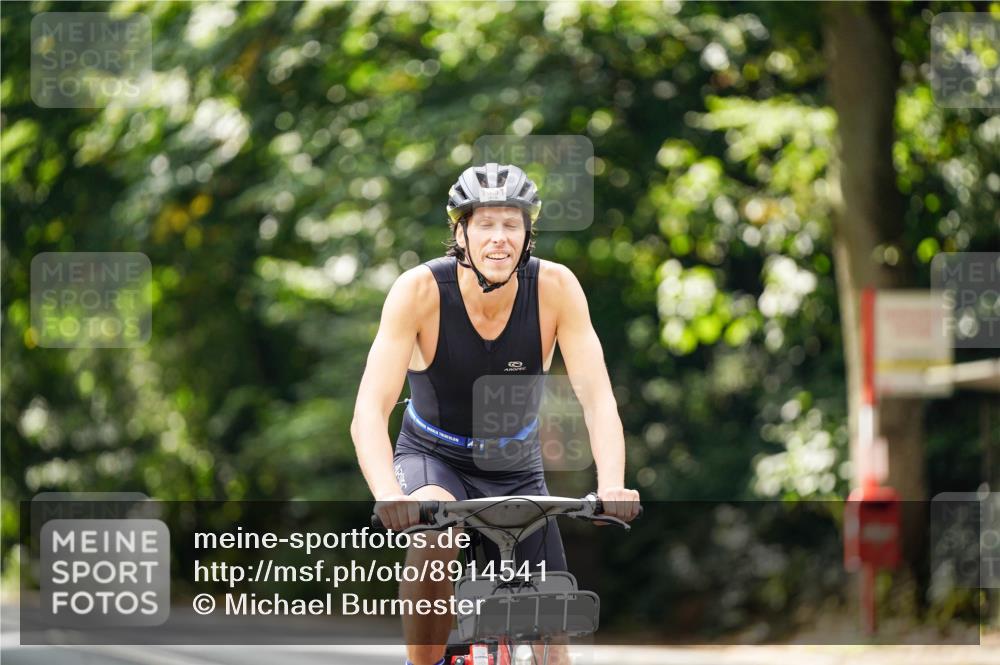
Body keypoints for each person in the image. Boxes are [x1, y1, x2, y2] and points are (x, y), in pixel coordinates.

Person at [351, 162, 641, 665]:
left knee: (554, 648)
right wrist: (388, 495)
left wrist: (612, 484)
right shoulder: (419, 291)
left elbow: (597, 399)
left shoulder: (555, 288)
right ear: (460, 233)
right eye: (485, 224)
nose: (499, 238)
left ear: (528, 234)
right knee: (435, 535)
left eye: (512, 224)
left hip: (515, 465)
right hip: (434, 456)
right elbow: (369, 413)